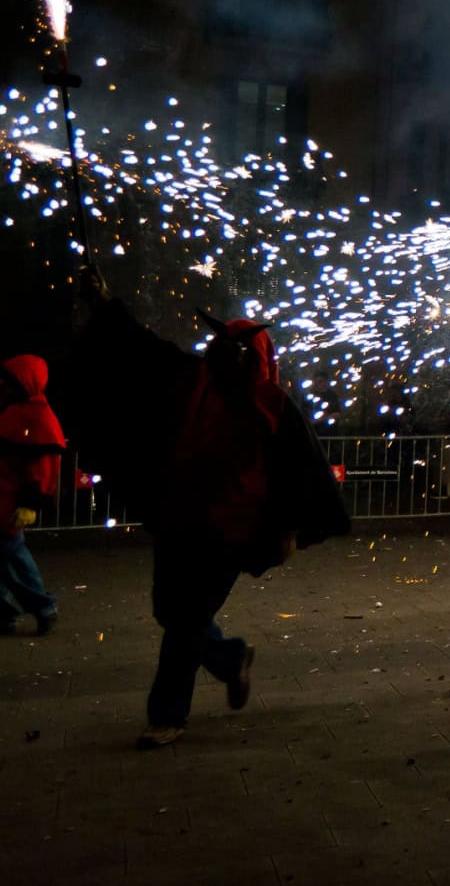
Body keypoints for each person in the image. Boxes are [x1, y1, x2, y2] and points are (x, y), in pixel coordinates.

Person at [74, 270, 350, 748]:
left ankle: (168, 715)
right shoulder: (191, 381)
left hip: (231, 532)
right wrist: (105, 303)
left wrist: (290, 530)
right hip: (180, 517)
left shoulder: (275, 407)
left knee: (185, 618)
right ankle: (228, 657)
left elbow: (302, 473)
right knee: (170, 609)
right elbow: (144, 348)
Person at [0, 354, 65, 636]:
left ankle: (42, 606)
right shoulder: (15, 410)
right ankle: (5, 612)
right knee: (8, 559)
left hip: (9, 504)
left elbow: (43, 470)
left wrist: (30, 504)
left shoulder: (37, 418)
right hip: (5, 499)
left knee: (12, 558)